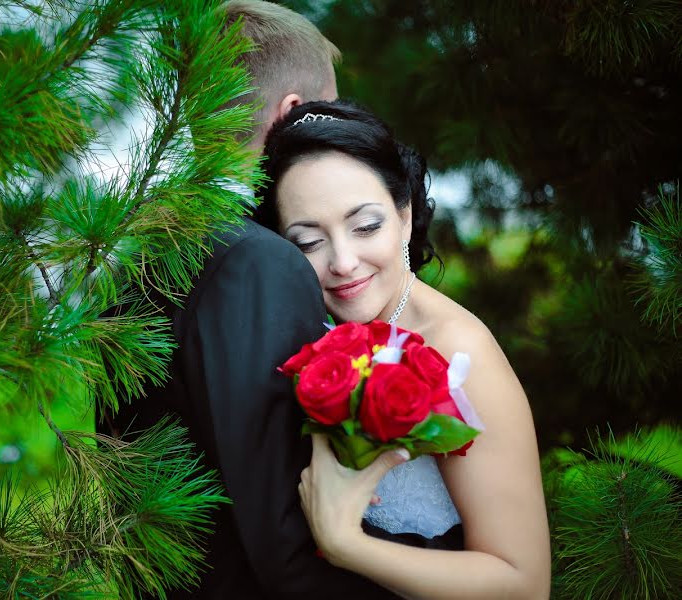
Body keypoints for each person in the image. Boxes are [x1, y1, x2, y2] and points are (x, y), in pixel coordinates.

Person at [104, 2, 403, 598]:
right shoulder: (258, 261)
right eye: (329, 109)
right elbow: (283, 538)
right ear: (293, 114)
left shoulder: (143, 255)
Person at [255, 99, 552, 599]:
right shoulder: (309, 328)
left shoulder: (460, 354)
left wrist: (345, 542)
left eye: (366, 226)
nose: (343, 262)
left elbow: (524, 585)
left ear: (405, 215)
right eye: (308, 242)